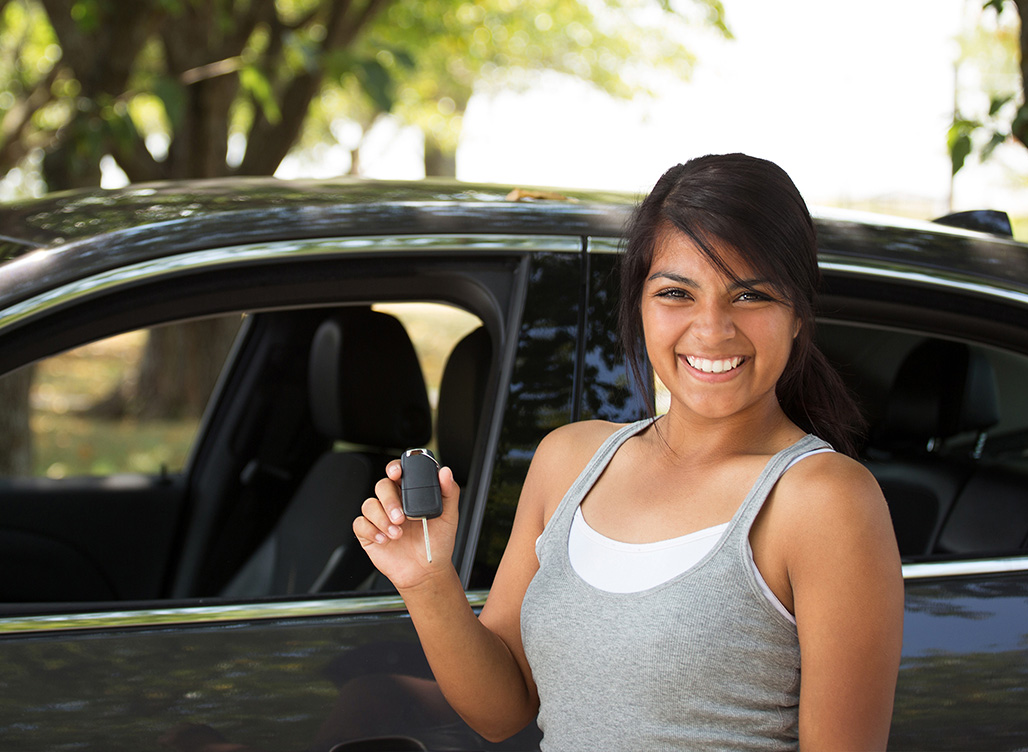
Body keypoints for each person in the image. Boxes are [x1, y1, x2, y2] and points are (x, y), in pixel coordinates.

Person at [354, 153, 904, 751]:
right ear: (639, 304)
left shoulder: (824, 501)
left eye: (750, 296)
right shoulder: (570, 461)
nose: (712, 329)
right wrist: (427, 581)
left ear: (798, 314)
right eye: (677, 293)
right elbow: (502, 710)